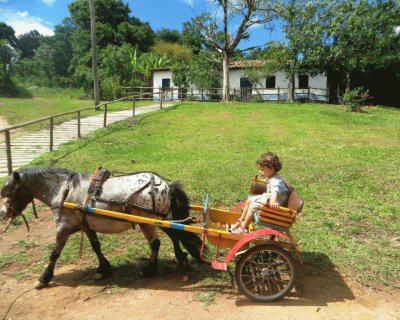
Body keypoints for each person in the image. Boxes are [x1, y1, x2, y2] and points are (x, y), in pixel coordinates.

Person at [231, 152, 289, 234]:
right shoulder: (272, 176)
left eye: (262, 170)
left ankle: (243, 228)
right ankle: (241, 221)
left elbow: (275, 191)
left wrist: (273, 202)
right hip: (268, 197)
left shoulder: (276, 181)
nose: (260, 172)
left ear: (271, 168)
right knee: (249, 200)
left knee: (253, 206)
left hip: (275, 204)